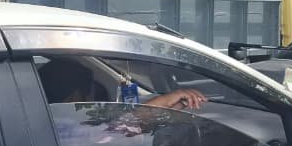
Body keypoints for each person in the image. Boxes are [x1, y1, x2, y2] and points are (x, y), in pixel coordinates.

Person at [39, 57, 205, 109]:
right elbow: (127, 125)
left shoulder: (38, 126)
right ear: (73, 97)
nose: (93, 100)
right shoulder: (77, 129)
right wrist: (171, 98)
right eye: (91, 93)